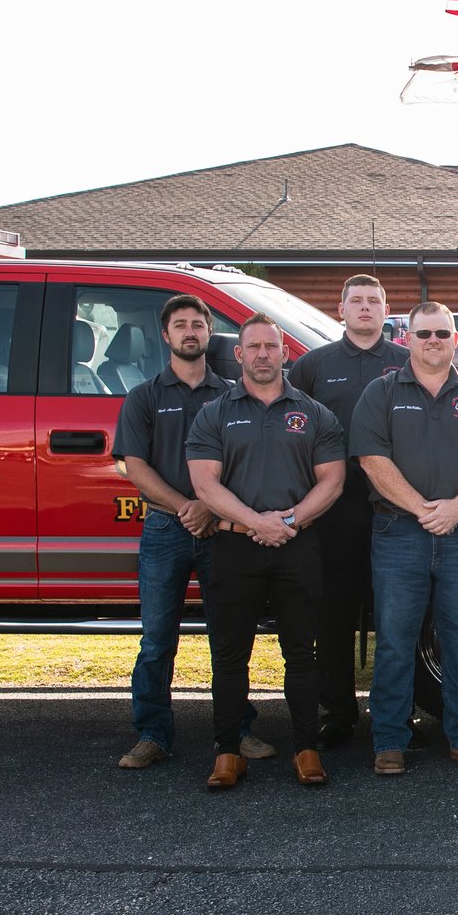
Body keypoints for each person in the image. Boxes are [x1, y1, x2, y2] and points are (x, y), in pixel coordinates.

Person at [186, 314, 347, 789]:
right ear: (238, 354)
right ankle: (228, 752)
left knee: (300, 653)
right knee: (231, 655)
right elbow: (203, 483)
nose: (262, 354)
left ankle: (306, 749)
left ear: (284, 353)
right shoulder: (214, 413)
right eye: (252, 346)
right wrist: (257, 522)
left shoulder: (316, 414)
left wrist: (289, 522)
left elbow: (333, 481)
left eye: (270, 347)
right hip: (235, 546)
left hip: (297, 546)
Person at [112, 294, 271, 770]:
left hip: (222, 530)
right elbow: (133, 466)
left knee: (230, 636)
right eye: (180, 325)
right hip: (164, 528)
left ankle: (237, 731)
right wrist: (186, 506)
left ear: (208, 333)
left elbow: (243, 464)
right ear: (166, 335)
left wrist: (209, 506)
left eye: (198, 324)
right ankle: (153, 734)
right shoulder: (145, 396)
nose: (190, 332)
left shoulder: (230, 395)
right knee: (158, 637)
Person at [351, 301, 458, 775]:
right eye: (423, 334)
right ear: (407, 339)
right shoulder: (381, 393)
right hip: (399, 531)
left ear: (455, 339)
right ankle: (390, 739)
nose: (433, 341)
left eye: (441, 333)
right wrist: (421, 508)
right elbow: (372, 460)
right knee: (396, 636)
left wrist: (456, 508)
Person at [286, 274, 409, 748]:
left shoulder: (407, 361)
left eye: (373, 301)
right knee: (334, 615)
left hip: (396, 509)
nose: (364, 308)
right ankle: (337, 711)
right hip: (335, 512)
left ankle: (397, 714)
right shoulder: (314, 365)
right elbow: (290, 430)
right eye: (355, 301)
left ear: (385, 310)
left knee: (399, 617)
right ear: (340, 309)